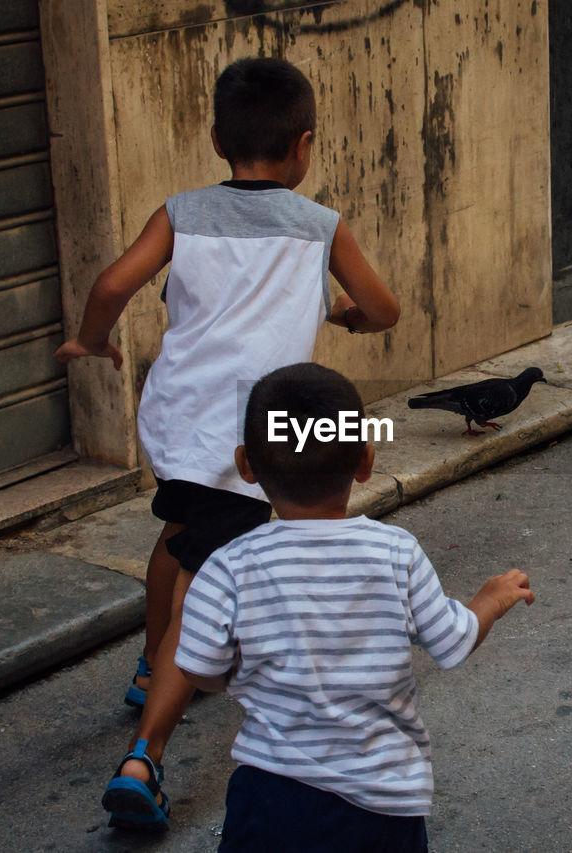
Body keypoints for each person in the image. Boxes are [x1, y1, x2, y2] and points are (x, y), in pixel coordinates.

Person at [54, 57, 400, 829]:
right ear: (305, 146)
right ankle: (145, 757)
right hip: (256, 434)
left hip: (179, 418)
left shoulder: (181, 211)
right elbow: (385, 309)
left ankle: (150, 668)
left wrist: (92, 342)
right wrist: (343, 316)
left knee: (182, 533)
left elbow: (113, 285)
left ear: (216, 139)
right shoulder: (321, 227)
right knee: (207, 586)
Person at [174, 362, 535, 852]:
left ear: (245, 466)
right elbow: (452, 641)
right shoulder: (396, 553)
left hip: (270, 800)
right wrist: (487, 601)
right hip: (383, 800)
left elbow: (198, 669)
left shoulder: (227, 568)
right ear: (366, 462)